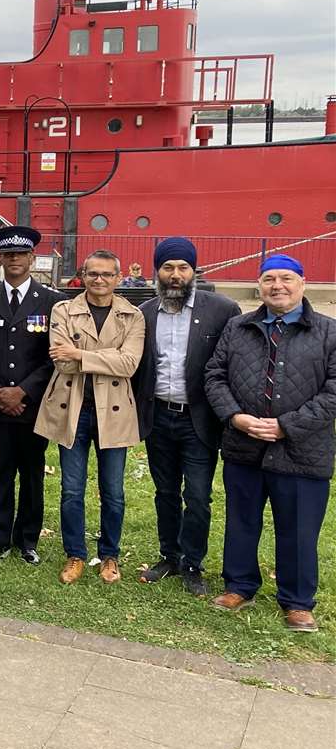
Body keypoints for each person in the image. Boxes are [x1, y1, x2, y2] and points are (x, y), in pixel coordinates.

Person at [205, 254, 336, 633]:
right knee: (242, 521)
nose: (277, 285)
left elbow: (333, 393)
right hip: (245, 446)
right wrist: (235, 417)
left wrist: (285, 426)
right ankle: (239, 585)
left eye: (286, 278)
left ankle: (297, 601)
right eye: (269, 279)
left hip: (302, 450)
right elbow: (214, 376)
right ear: (259, 285)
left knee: (298, 527)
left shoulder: (329, 333)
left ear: (303, 283)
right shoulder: (237, 327)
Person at [134, 237, 241, 594]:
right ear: (157, 271)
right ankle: (169, 555)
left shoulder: (222, 310)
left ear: (194, 271)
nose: (175, 275)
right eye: (168, 268)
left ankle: (193, 564)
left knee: (197, 495)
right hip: (158, 416)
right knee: (164, 492)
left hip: (198, 420)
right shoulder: (146, 312)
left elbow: (231, 365)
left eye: (182, 268)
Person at [36, 249, 144, 585]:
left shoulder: (133, 315)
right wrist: (102, 357)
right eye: (93, 274)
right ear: (83, 275)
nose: (99, 280)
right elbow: (62, 362)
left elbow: (129, 364)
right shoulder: (63, 309)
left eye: (107, 275)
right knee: (71, 488)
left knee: (113, 491)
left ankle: (110, 555)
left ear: (118, 277)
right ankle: (75, 554)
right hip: (74, 410)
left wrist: (79, 352)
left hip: (113, 412)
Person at [0, 226, 62, 564]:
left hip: (33, 405)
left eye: (20, 255)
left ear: (32, 258)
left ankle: (27, 540)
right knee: (1, 470)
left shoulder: (53, 302)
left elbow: (55, 355)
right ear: (0, 258)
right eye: (8, 255)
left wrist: (22, 391)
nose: (14, 260)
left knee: (32, 472)